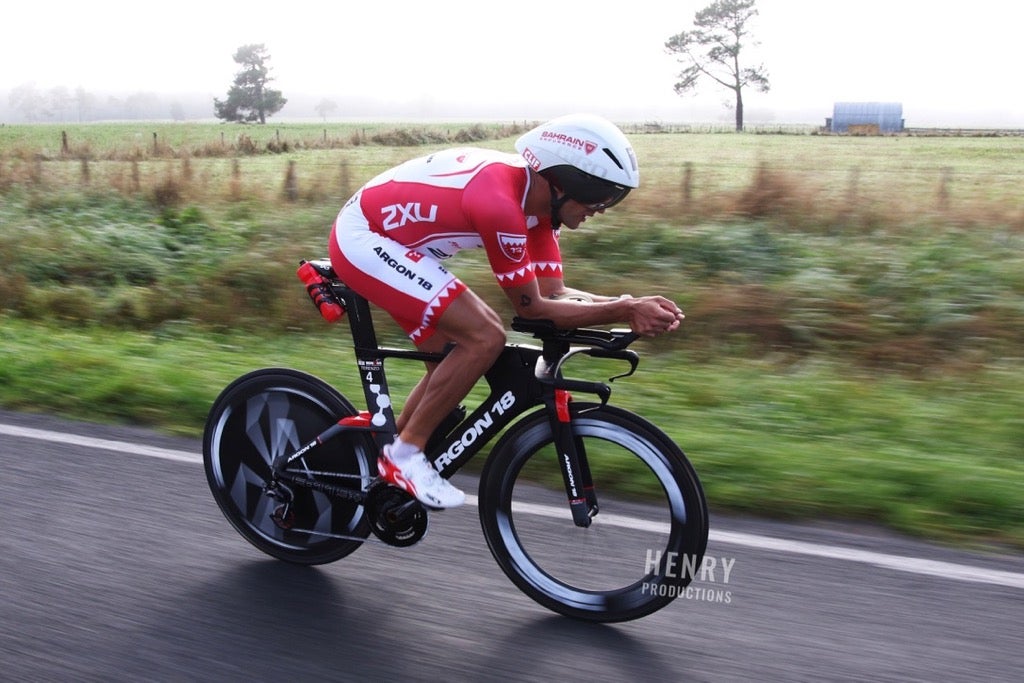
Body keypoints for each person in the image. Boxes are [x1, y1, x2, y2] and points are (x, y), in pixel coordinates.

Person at [328, 113, 684, 509]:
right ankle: (404, 457)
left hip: (398, 245)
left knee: (449, 363)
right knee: (485, 337)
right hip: (363, 238)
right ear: (567, 182)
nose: (602, 207)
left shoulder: (539, 210)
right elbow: (532, 310)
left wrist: (627, 304)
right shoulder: (501, 203)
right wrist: (624, 309)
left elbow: (555, 294)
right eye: (600, 195)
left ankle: (388, 461)